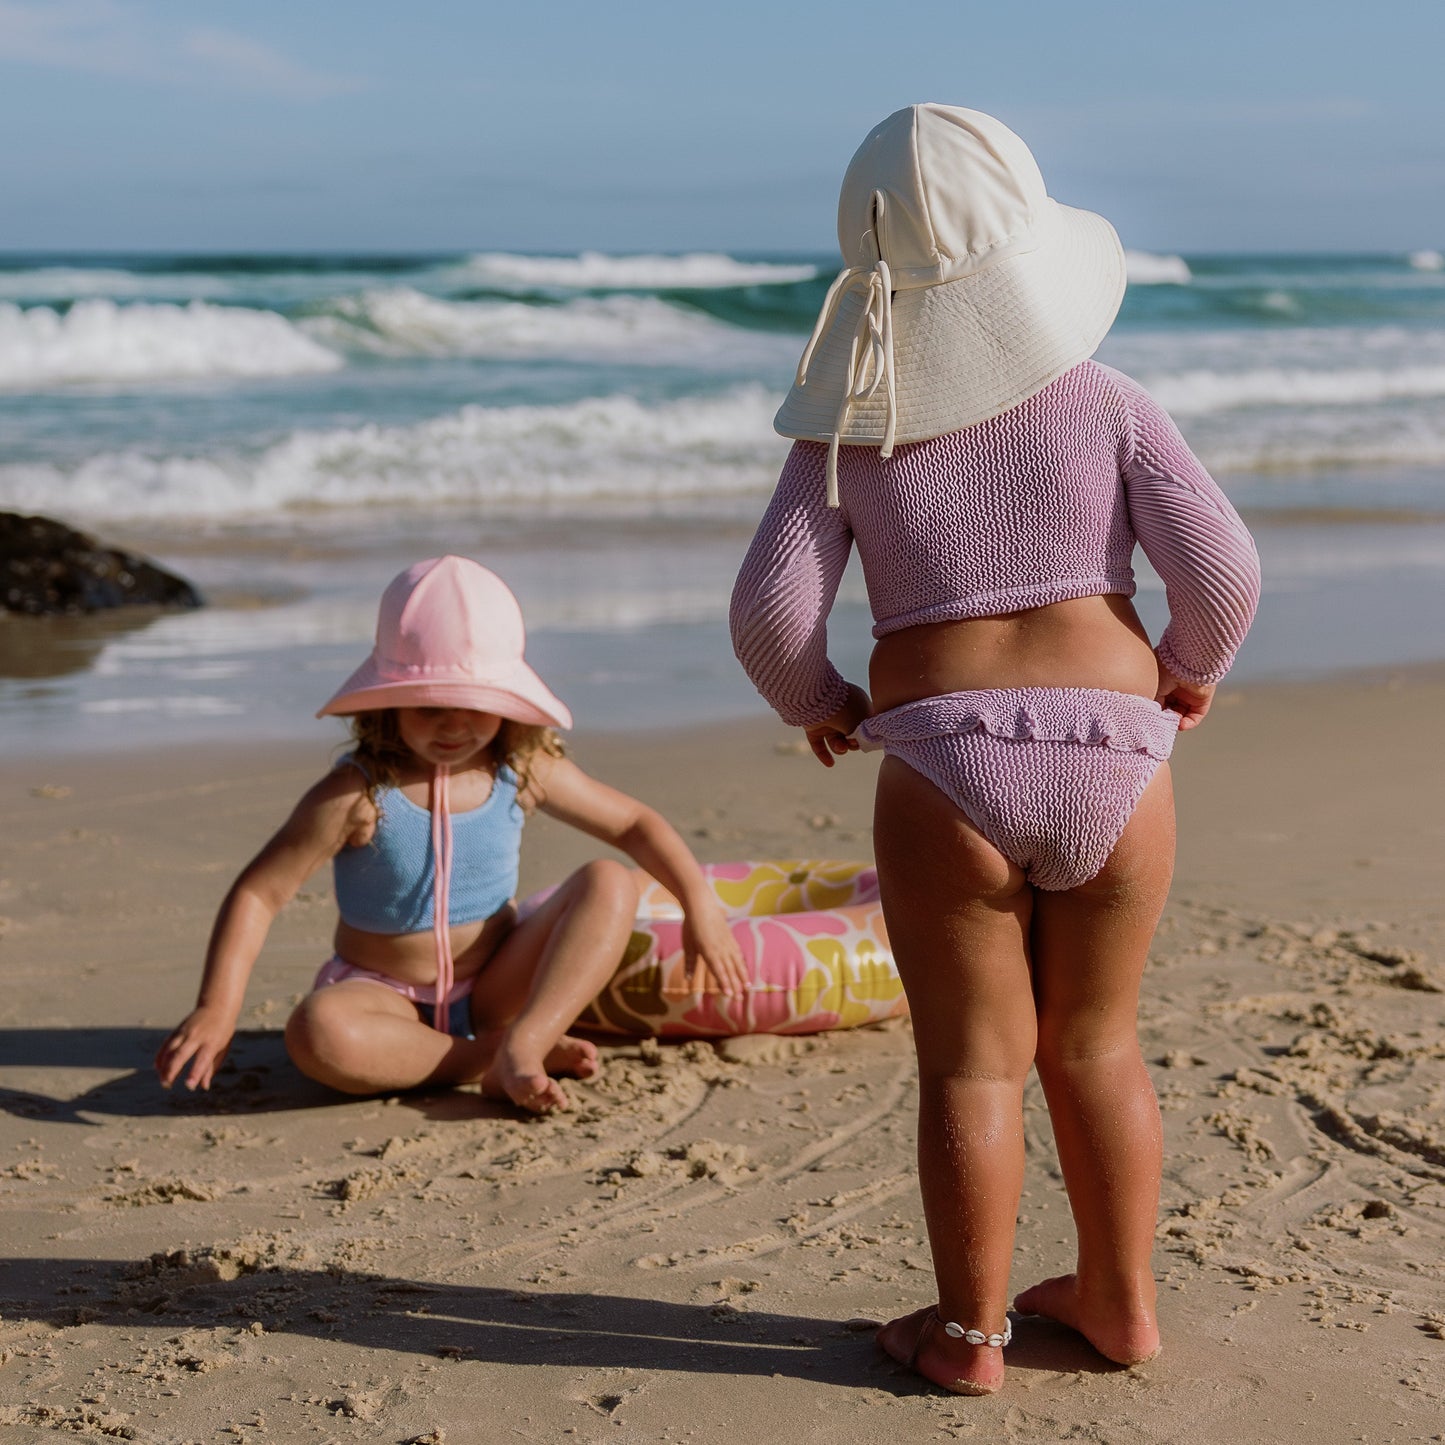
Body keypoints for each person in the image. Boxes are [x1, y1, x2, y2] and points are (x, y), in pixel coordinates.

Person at [730, 105, 1260, 1394]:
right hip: (1117, 762)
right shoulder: (1108, 400)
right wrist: (1184, 668)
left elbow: (766, 614)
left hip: (943, 764)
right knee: (1097, 1042)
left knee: (972, 1058)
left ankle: (969, 1334)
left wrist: (825, 701)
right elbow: (1224, 568)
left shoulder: (851, 431)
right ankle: (1120, 1302)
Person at [157, 554, 747, 1114]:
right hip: (380, 996)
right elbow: (260, 894)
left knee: (610, 882)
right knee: (317, 1033)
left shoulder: (522, 770)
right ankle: (486, 1057)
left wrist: (701, 906)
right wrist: (217, 1007)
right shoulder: (357, 795)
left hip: (495, 987)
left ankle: (524, 1040)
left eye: (475, 705)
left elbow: (634, 824)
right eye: (428, 706)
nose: (453, 726)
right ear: (387, 704)